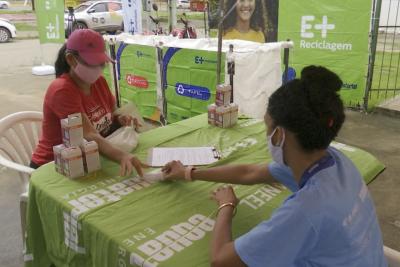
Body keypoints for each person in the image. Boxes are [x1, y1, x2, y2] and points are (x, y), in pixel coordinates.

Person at [162, 66, 387, 266]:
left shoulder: (307, 210)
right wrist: (189, 173)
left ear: (279, 135)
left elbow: (221, 260)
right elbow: (252, 172)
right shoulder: (334, 161)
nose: (266, 134)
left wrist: (226, 206)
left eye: (267, 127)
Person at [31, 29, 145, 177]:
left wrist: (119, 120)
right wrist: (122, 156)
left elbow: (111, 115)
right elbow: (89, 134)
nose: (98, 69)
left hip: (89, 159)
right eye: (92, 63)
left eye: (102, 63)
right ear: (71, 59)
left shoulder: (100, 82)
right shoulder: (62, 90)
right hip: (53, 166)